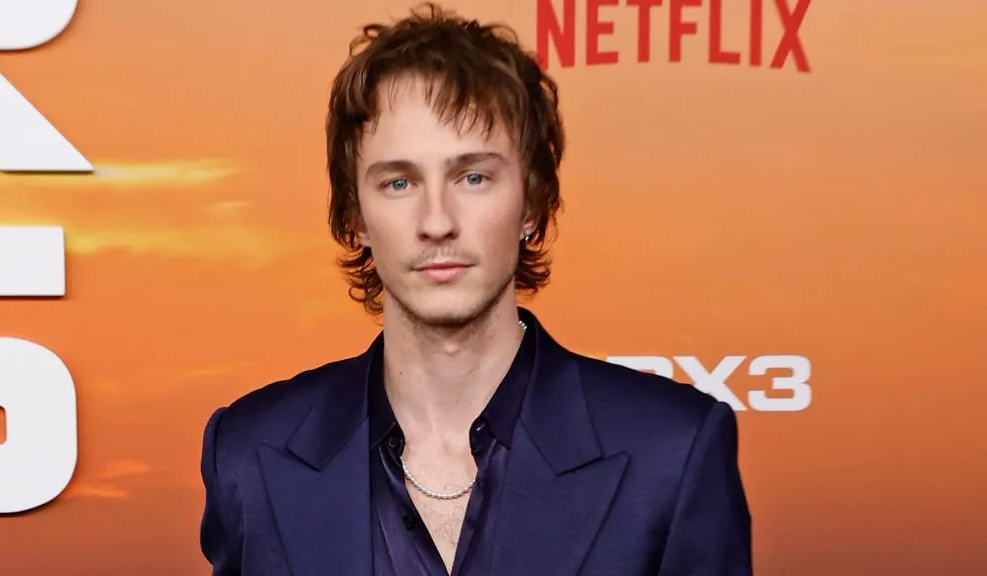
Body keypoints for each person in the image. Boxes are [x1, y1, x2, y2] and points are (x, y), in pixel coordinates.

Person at [198, 3, 752, 575]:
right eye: (399, 182)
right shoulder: (248, 454)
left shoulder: (673, 452)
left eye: (473, 177)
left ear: (531, 204)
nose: (437, 221)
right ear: (355, 217)